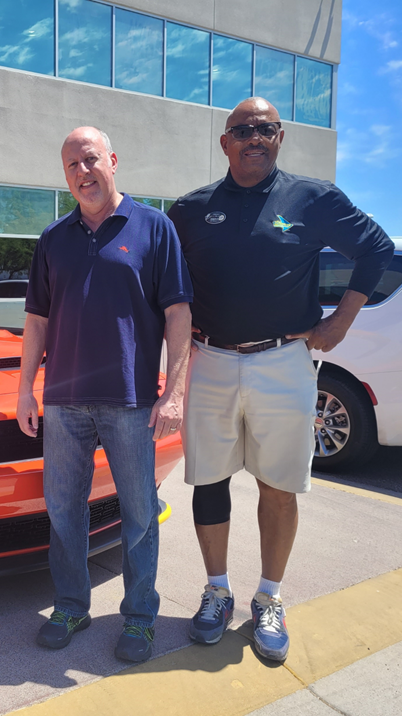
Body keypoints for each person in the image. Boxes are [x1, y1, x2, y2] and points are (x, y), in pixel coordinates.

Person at [167, 97, 394, 663]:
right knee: (210, 481)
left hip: (284, 361)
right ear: (224, 142)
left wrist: (340, 321)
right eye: (242, 130)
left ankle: (269, 598)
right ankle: (216, 591)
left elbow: (377, 249)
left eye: (265, 129)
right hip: (211, 359)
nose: (254, 137)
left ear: (280, 136)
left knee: (279, 484)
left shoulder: (312, 199)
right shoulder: (191, 210)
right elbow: (163, 282)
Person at [16, 127, 193, 662]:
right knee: (64, 510)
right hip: (64, 401)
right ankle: (71, 604)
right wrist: (25, 387)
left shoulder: (153, 228)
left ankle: (139, 617)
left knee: (139, 514)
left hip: (131, 400)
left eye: (89, 159)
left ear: (112, 160)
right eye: (71, 165)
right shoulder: (54, 238)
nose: (81, 172)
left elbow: (179, 314)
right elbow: (36, 320)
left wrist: (175, 391)